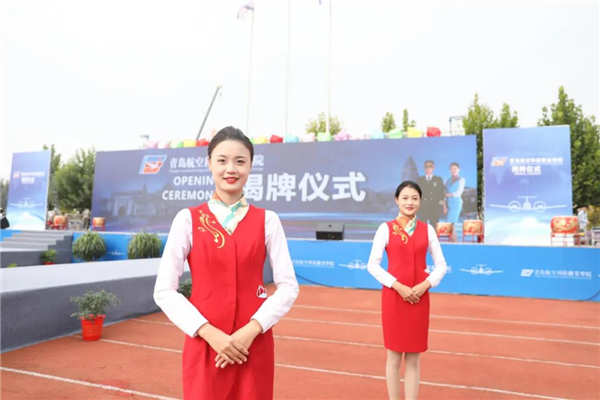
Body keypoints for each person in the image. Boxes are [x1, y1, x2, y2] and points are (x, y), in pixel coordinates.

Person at [153, 126, 300, 400]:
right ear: (209, 164)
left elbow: (289, 286)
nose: (231, 169)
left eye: (240, 161)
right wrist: (209, 333)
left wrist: (251, 330)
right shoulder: (187, 219)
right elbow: (164, 290)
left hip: (253, 346)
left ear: (251, 166)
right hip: (205, 345)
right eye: (222, 160)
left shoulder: (268, 220)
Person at [367, 180, 447, 400]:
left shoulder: (427, 230)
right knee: (393, 357)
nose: (409, 202)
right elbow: (372, 265)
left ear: (420, 201)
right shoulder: (385, 228)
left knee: (413, 358)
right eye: (405, 198)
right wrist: (398, 286)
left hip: (419, 298)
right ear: (396, 200)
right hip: (394, 297)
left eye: (414, 198)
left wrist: (425, 285)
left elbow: (441, 265)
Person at [416, 160, 446, 227]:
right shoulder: (420, 180)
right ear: (424, 168)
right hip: (423, 206)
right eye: (426, 166)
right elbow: (417, 193)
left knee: (434, 226)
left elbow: (441, 193)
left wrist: (442, 205)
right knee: (422, 226)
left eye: (430, 166)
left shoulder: (438, 179)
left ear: (433, 168)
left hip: (435, 206)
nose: (428, 168)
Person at [444, 162, 466, 242]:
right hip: (448, 203)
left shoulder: (461, 179)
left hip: (456, 203)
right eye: (451, 169)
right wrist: (445, 205)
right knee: (450, 225)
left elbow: (459, 192)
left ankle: (454, 242)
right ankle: (453, 242)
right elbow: (444, 191)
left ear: (458, 170)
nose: (453, 170)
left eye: (455, 168)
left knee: (450, 223)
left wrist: (448, 195)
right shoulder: (447, 180)